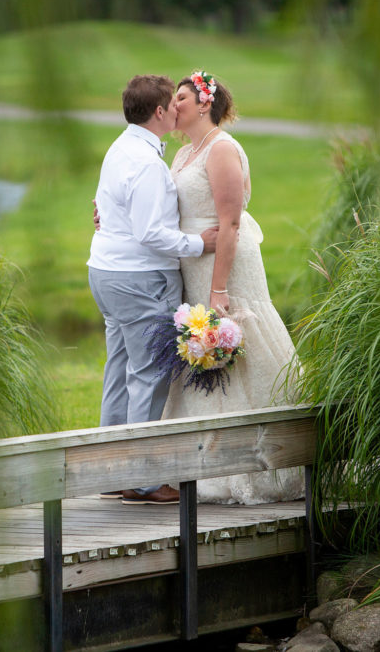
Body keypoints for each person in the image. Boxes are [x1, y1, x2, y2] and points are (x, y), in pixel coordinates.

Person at [161, 71, 304, 504]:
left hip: (226, 270)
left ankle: (257, 466)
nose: (173, 105)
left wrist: (219, 290)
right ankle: (194, 464)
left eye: (181, 97)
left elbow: (231, 222)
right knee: (200, 357)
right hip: (193, 269)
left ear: (204, 104)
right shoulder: (184, 154)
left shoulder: (222, 148)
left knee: (241, 349)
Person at [87, 74, 219, 505]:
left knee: (120, 369)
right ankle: (142, 479)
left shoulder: (121, 147)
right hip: (139, 276)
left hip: (106, 271)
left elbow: (110, 206)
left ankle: (109, 472)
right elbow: (149, 233)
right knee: (147, 374)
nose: (178, 110)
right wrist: (201, 243)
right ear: (160, 112)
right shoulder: (146, 162)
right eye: (172, 104)